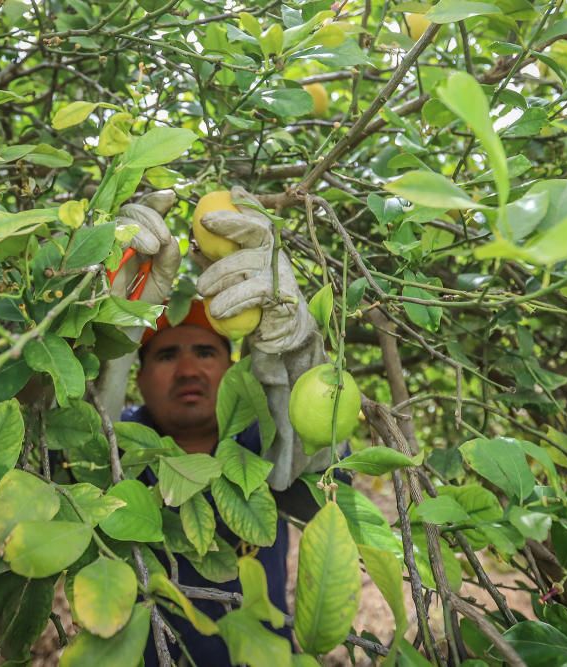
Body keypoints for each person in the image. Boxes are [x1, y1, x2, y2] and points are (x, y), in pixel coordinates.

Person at [96, 187, 332, 664]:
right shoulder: (118, 450)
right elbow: (67, 435)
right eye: (165, 354)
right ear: (137, 377)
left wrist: (294, 353)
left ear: (232, 367)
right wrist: (106, 329)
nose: (187, 371)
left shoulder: (260, 446)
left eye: (205, 351)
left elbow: (315, 467)